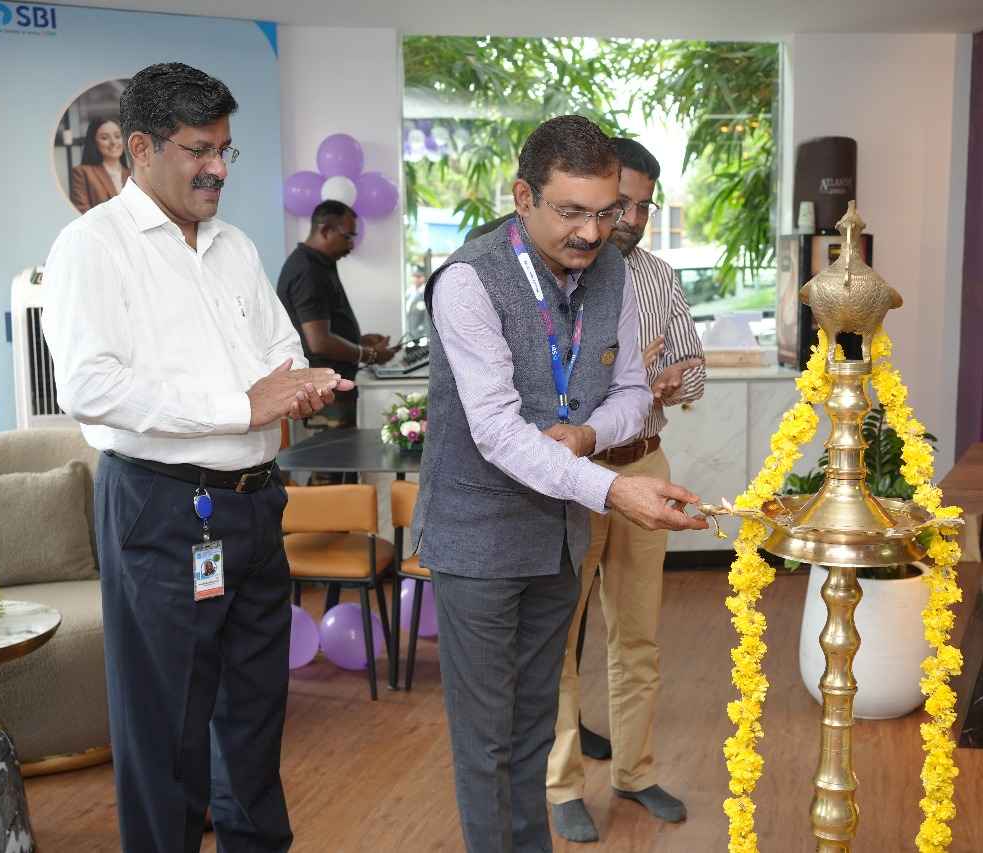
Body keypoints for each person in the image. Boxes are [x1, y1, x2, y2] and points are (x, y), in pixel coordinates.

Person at [42, 62, 349, 853]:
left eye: (225, 148)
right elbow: (88, 387)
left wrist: (302, 382)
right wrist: (239, 405)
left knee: (253, 711)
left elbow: (278, 350)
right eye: (198, 148)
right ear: (139, 148)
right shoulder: (91, 247)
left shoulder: (235, 244)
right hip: (162, 506)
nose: (217, 166)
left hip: (253, 503)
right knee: (167, 724)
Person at [411, 114, 708, 853]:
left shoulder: (618, 271)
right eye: (571, 211)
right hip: (478, 538)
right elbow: (496, 430)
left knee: (534, 725)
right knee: (487, 743)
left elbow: (635, 391)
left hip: (557, 535)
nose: (592, 231)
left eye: (606, 212)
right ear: (523, 196)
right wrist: (612, 488)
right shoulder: (468, 282)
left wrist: (586, 435)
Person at [546, 137, 706, 842]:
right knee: (564, 636)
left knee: (637, 636)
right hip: (574, 477)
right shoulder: (558, 274)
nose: (633, 217)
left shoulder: (659, 276)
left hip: (645, 464)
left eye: (643, 205)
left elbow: (694, 365)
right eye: (623, 203)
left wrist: (676, 378)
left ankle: (634, 771)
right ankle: (561, 784)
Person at [276, 200, 397, 433]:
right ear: (325, 230)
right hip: (322, 393)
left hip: (332, 388)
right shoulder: (307, 270)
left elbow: (324, 328)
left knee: (343, 465)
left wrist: (358, 341)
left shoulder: (321, 264)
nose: (352, 245)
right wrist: (369, 354)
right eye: (348, 236)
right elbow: (319, 342)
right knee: (331, 465)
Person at [69, 116, 131, 213]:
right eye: (104, 138)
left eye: (117, 136)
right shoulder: (82, 173)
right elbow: (82, 213)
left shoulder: (134, 174)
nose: (113, 142)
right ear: (94, 142)